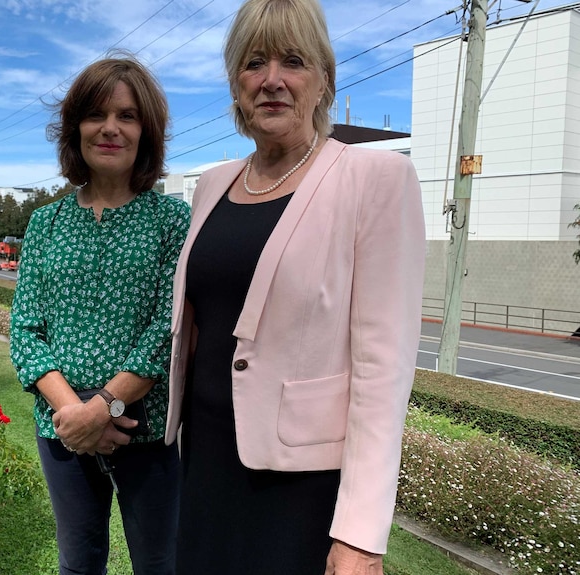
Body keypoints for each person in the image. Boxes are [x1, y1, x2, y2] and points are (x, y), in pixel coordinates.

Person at [164, 1, 426, 573]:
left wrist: (359, 534)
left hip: (300, 481)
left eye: (294, 61)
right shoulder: (211, 184)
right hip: (207, 457)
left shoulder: (375, 179)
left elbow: (384, 369)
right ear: (236, 84)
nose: (272, 80)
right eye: (254, 63)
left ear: (324, 80)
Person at [10, 54, 190, 575]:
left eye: (128, 116)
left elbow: (168, 327)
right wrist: (75, 416)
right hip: (62, 428)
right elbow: (25, 329)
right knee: (78, 562)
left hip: (145, 427)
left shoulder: (172, 219)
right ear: (75, 129)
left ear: (146, 131)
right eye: (96, 115)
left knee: (160, 564)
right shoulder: (45, 224)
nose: (110, 128)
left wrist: (104, 408)